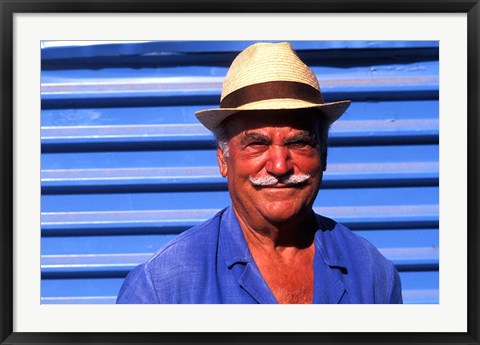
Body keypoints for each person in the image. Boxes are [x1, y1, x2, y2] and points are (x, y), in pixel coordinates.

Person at [116, 42, 403, 304]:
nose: (280, 166)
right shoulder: (164, 288)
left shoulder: (373, 273)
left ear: (324, 154)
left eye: (299, 142)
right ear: (223, 159)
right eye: (257, 144)